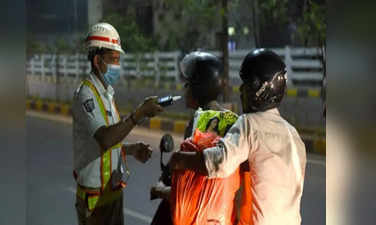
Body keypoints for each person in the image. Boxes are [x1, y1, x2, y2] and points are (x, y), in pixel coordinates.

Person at [169, 49, 307, 225]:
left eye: (246, 84)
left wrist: (180, 159)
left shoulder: (249, 124)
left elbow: (219, 163)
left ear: (258, 89)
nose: (241, 90)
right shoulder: (294, 135)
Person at [72, 22, 163, 225]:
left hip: (112, 195)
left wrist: (130, 150)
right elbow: (104, 138)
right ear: (97, 60)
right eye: (113, 60)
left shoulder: (107, 94)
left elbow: (107, 141)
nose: (117, 66)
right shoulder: (86, 94)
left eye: (118, 60)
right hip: (95, 201)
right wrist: (138, 114)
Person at [150, 51, 251, 225]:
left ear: (198, 88)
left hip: (199, 214)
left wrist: (159, 190)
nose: (185, 89)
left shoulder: (198, 121)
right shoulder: (233, 119)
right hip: (226, 214)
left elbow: (186, 185)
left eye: (188, 84)